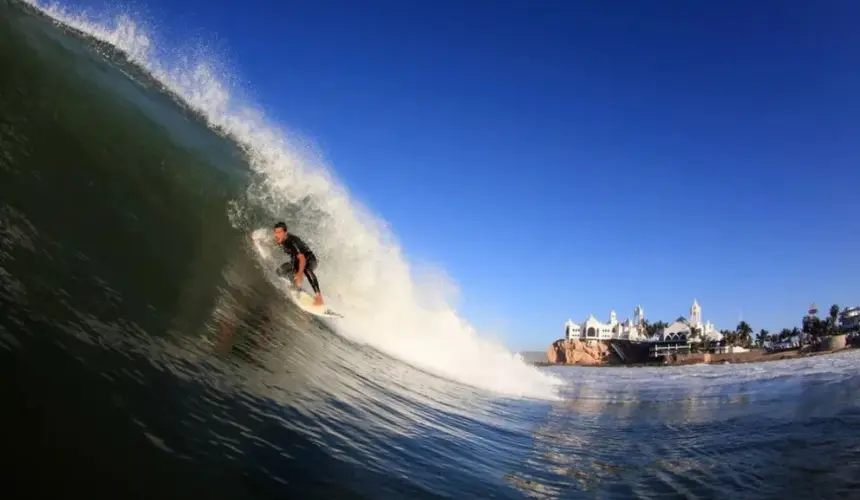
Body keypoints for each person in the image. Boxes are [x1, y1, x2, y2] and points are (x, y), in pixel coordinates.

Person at [272, 221, 324, 306]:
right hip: (296, 261)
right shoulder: (280, 239)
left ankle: (319, 297)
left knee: (306, 270)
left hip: (309, 259)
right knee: (280, 271)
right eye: (275, 232)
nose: (276, 234)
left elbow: (302, 259)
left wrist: (299, 274)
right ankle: (295, 286)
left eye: (279, 232)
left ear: (285, 233)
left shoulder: (293, 241)